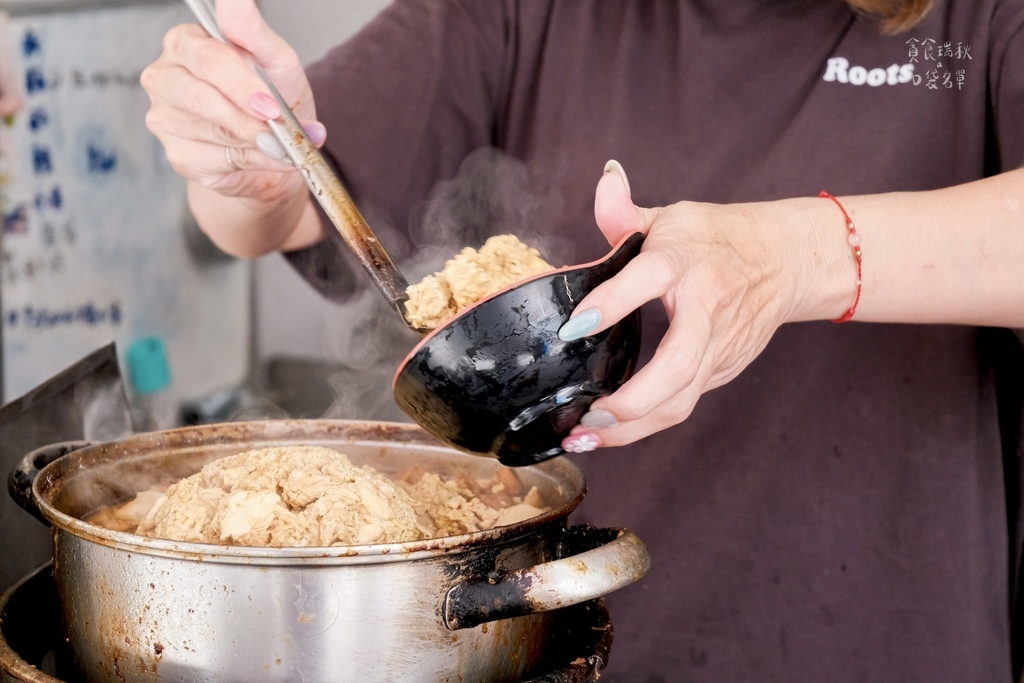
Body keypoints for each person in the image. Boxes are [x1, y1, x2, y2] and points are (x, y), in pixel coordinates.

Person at [141, 0, 1024, 680]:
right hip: (546, 642)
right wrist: (244, 157)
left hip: (883, 639)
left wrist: (798, 256)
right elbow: (273, 211)